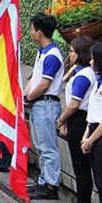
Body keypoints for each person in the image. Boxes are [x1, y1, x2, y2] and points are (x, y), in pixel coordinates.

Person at [24, 13, 63, 200]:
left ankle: (51, 185)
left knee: (48, 147)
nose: (30, 33)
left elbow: (44, 84)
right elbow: (34, 79)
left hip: (46, 104)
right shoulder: (43, 53)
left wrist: (30, 96)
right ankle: (43, 181)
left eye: (32, 30)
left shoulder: (53, 56)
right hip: (39, 104)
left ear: (39, 32)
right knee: (40, 145)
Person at [57, 36, 95, 203]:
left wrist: (61, 119)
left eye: (72, 51)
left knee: (81, 168)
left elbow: (74, 104)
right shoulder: (84, 72)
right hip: (81, 119)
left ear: (80, 53)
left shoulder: (83, 76)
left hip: (79, 120)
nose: (70, 54)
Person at [82, 42, 102, 198]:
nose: (90, 62)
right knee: (98, 180)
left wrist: (90, 140)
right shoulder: (98, 82)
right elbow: (93, 113)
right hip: (93, 132)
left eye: (93, 59)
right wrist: (85, 137)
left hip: (98, 136)